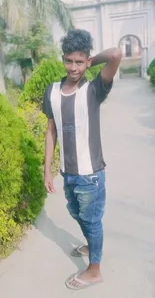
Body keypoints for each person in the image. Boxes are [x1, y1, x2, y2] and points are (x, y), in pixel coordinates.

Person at [42, 29, 122, 290]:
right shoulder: (52, 91)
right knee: (76, 213)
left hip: (90, 174)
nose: (73, 67)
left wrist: (91, 60)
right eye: (69, 60)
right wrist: (47, 171)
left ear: (87, 61)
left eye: (80, 61)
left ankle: (94, 270)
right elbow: (51, 130)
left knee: (92, 220)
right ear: (62, 59)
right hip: (68, 172)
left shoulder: (94, 89)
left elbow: (116, 54)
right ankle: (90, 243)